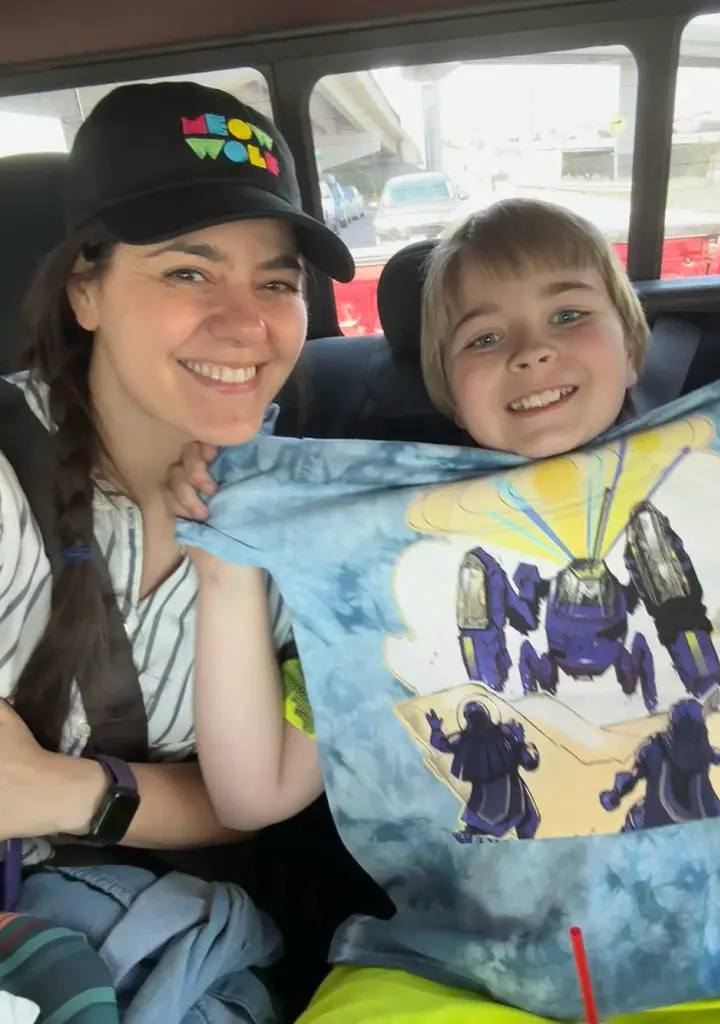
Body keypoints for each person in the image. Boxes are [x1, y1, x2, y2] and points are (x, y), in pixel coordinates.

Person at [172, 199, 720, 1022]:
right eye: (483, 338)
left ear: (632, 348)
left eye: (568, 313)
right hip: (461, 975)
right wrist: (225, 568)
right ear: (449, 391)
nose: (531, 350)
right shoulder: (378, 557)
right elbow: (254, 796)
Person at [0, 78, 353, 1021]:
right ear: (85, 289)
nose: (247, 322)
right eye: (188, 270)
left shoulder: (317, 523)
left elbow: (249, 795)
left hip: (147, 923)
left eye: (276, 281)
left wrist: (63, 792)